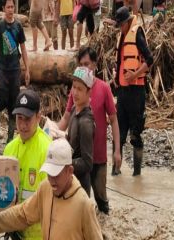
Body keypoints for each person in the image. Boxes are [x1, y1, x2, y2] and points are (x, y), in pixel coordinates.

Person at [0, 138, 103, 240]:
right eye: (49, 173)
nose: (52, 180)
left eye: (56, 174)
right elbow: (23, 214)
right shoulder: (45, 188)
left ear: (69, 171)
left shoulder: (84, 205)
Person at [58, 47, 121, 214]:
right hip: (78, 159)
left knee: (101, 199)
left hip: (98, 157)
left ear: (94, 64)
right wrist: (50, 134)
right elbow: (66, 118)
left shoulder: (104, 88)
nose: (84, 68)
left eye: (87, 64)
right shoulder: (77, 89)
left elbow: (114, 120)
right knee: (79, 200)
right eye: (81, 64)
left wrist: (117, 151)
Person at [2, 89, 52, 239]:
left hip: (39, 234)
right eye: (19, 118)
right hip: (15, 230)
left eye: (28, 119)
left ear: (38, 117)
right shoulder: (9, 149)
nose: (22, 125)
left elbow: (51, 200)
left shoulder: (48, 150)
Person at [114, 6, 153, 176]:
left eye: (122, 25)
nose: (120, 28)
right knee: (120, 136)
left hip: (136, 92)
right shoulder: (121, 36)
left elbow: (150, 60)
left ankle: (137, 174)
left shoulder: (137, 34)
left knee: (135, 136)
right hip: (122, 92)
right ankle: (116, 171)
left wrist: (135, 74)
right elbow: (119, 62)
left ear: (128, 22)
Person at [0, 0, 30, 143]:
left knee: (13, 101)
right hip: (2, 68)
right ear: (3, 9)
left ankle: (9, 137)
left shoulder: (18, 26)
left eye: (12, 7)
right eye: (8, 7)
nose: (10, 9)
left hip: (15, 69)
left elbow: (24, 48)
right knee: (1, 98)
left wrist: (27, 69)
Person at [65, 66, 95, 196]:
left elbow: (87, 163)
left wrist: (64, 163)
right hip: (70, 180)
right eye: (74, 87)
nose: (75, 93)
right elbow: (71, 142)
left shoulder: (86, 123)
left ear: (89, 92)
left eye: (80, 89)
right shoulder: (73, 109)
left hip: (80, 187)